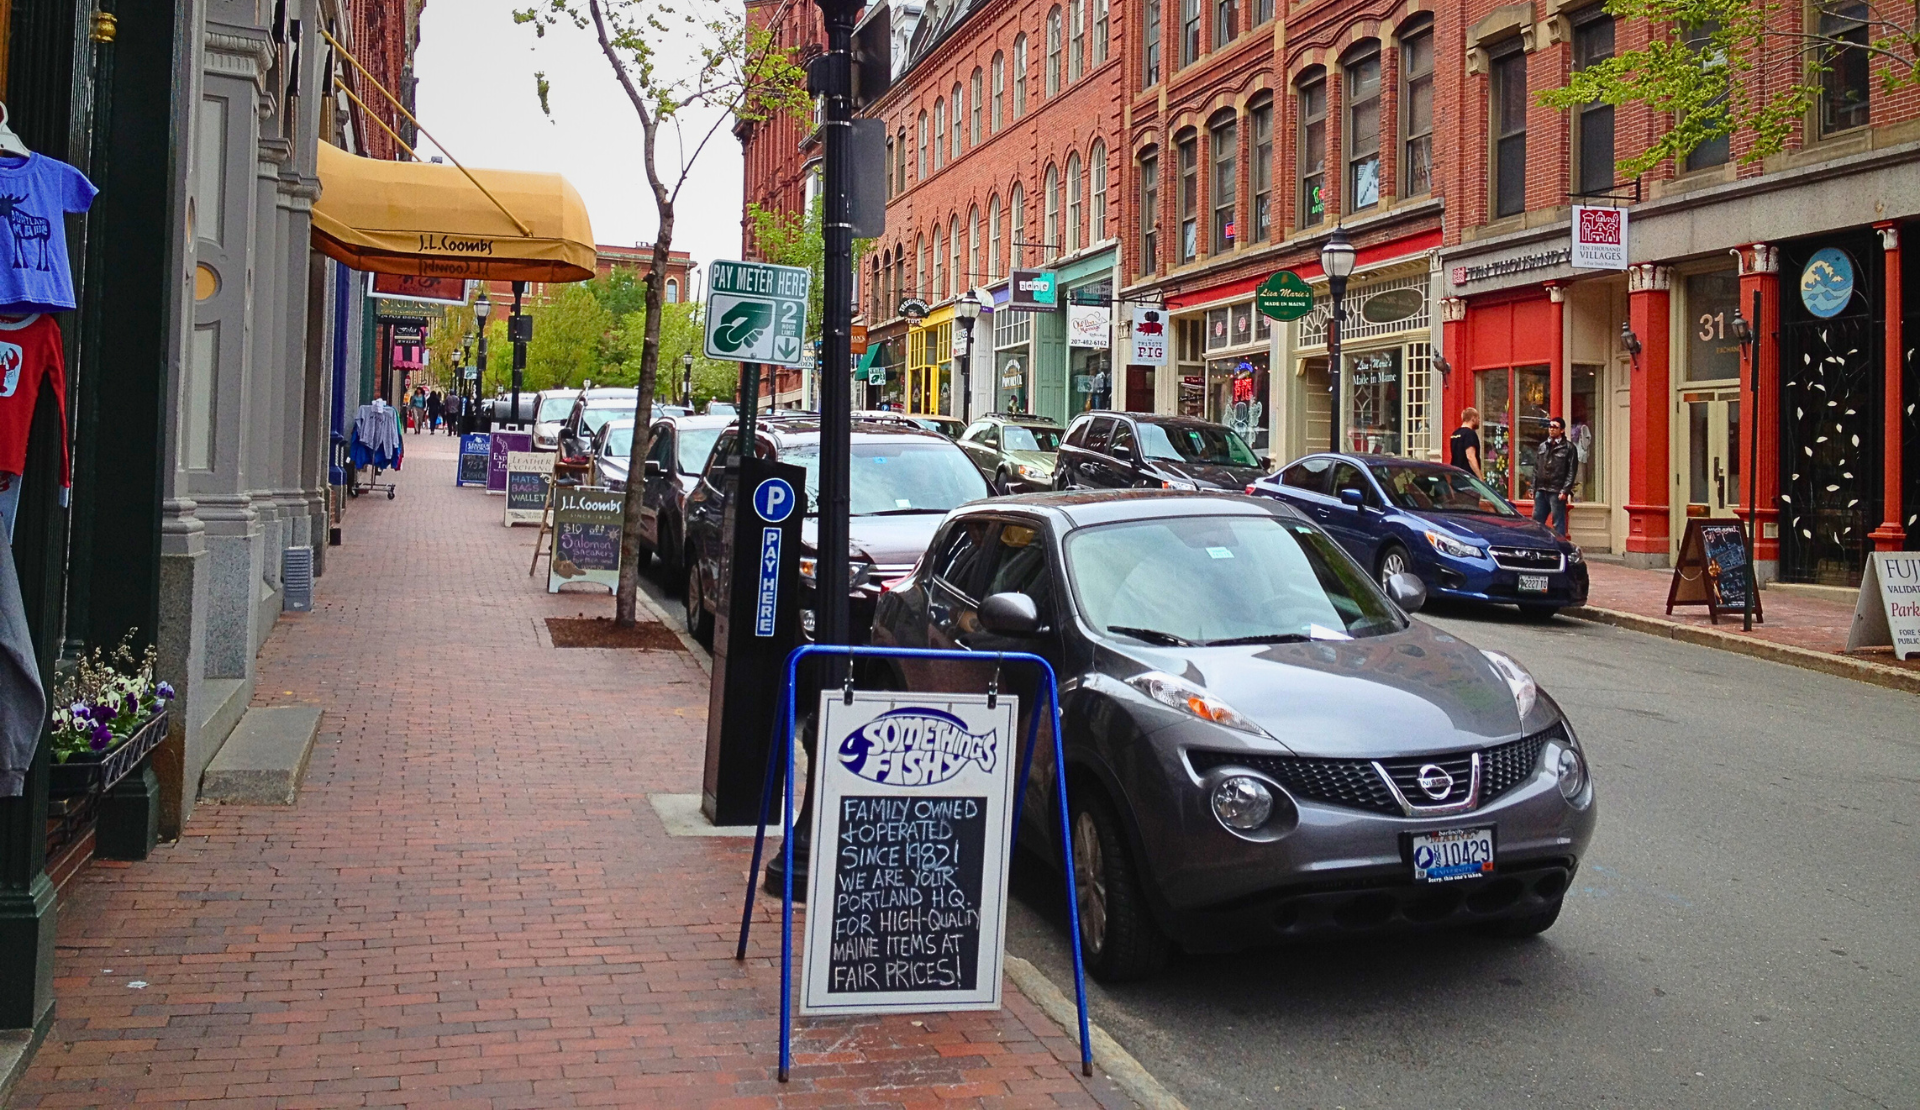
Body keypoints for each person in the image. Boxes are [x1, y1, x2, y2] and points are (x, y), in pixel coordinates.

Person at [1531, 416, 1577, 537]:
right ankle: (1537, 546)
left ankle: (1560, 548)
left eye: (1555, 427)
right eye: (1550, 426)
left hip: (1556, 490)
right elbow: (1536, 468)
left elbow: (1571, 471)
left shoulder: (1569, 448)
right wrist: (1533, 487)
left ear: (1562, 430)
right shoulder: (1543, 446)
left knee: (1558, 523)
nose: (1551, 429)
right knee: (1536, 521)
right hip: (1541, 489)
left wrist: (1565, 490)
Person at [1449, 407, 1484, 479]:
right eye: (1478, 418)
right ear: (1473, 418)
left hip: (1455, 475)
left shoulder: (1454, 434)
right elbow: (1470, 456)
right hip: (1467, 477)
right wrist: (1480, 477)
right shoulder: (1470, 434)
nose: (1479, 421)